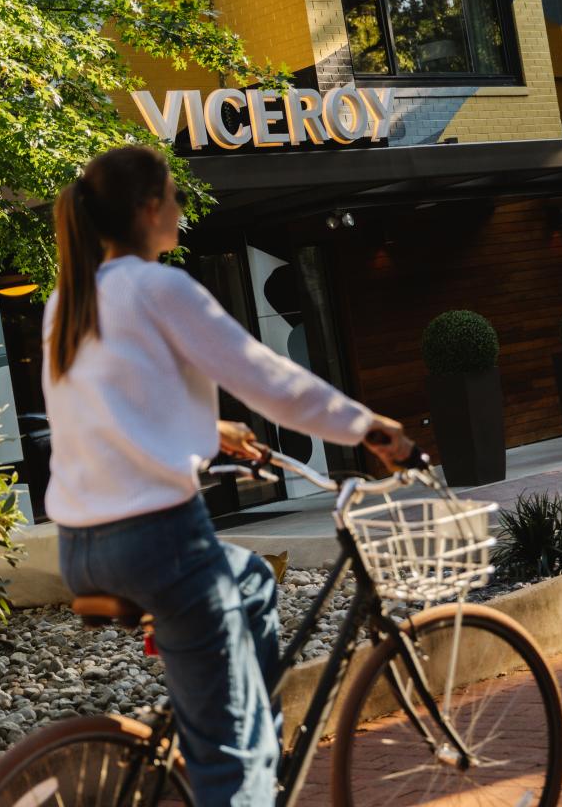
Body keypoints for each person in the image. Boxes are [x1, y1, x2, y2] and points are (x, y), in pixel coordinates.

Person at [42, 145, 414, 807]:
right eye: (176, 196)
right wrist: (368, 427)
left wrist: (209, 428)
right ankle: (244, 761)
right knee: (229, 764)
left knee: (253, 584)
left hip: (81, 547)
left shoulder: (65, 302)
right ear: (149, 208)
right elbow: (268, 378)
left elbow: (104, 406)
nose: (181, 208)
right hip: (161, 544)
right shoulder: (160, 287)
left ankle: (255, 729)